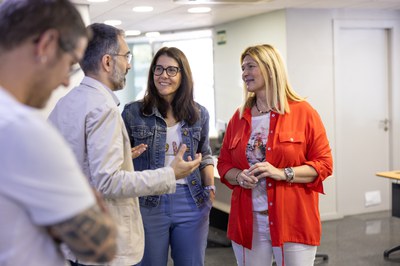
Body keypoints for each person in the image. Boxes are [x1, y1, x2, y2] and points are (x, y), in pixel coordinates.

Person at [48, 24, 202, 266]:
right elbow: (108, 182)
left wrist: (121, 157)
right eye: (126, 56)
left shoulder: (67, 103)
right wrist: (170, 174)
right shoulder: (104, 109)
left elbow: (64, 165)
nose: (129, 64)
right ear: (108, 62)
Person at [0, 1, 118, 265]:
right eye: (70, 63)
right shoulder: (24, 131)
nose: (66, 80)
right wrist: (88, 202)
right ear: (47, 45)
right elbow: (100, 246)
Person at [217, 44, 333, 266]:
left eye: (251, 66)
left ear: (270, 68)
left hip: (292, 220)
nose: (244, 73)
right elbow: (223, 164)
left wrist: (282, 173)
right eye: (242, 68)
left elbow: (324, 164)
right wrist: (239, 176)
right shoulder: (239, 117)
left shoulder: (303, 112)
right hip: (248, 222)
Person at [122, 47, 215, 266]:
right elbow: (120, 158)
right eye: (159, 69)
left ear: (183, 76)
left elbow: (206, 155)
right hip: (148, 201)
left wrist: (210, 188)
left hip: (191, 200)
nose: (164, 75)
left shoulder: (198, 113)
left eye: (172, 70)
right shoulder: (133, 112)